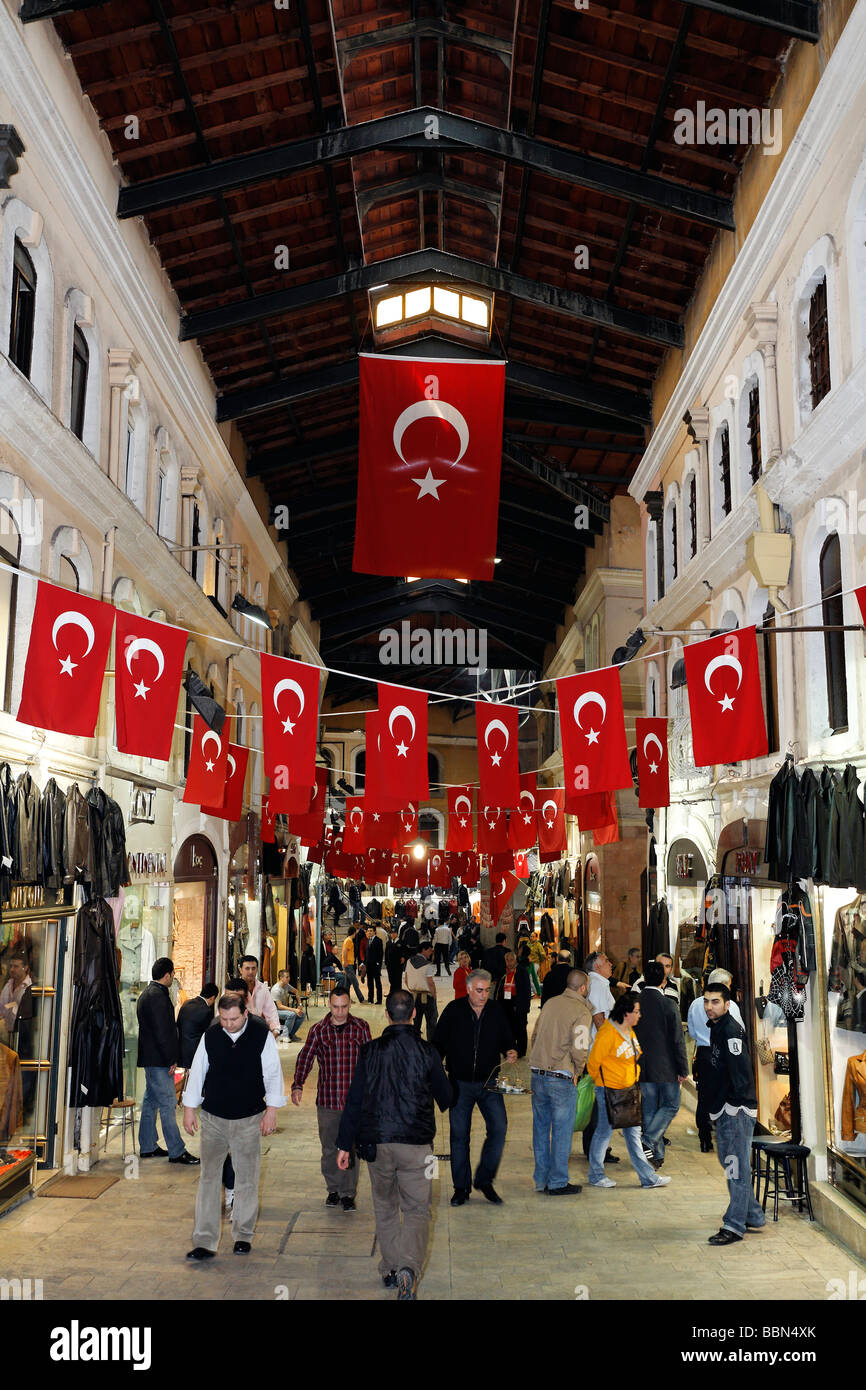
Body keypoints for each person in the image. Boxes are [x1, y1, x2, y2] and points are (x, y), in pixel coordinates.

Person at [335, 989, 452, 1300]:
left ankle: (390, 1267)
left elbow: (355, 1099)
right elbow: (446, 1099)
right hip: (418, 1146)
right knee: (417, 1211)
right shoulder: (428, 1052)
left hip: (377, 1144)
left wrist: (344, 1145)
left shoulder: (370, 1051)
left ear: (387, 1015)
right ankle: (408, 1270)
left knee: (385, 1208)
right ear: (414, 1014)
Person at [183, 992, 285, 1259]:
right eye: (224, 1018)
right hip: (213, 1117)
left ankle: (243, 1235)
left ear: (245, 1014)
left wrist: (272, 1110)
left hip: (249, 1118)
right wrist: (189, 1109)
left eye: (234, 1019)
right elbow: (198, 1070)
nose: (228, 1024)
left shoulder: (261, 1035)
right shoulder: (212, 1034)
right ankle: (204, 1241)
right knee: (208, 1178)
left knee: (247, 1179)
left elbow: (273, 1073)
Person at [433, 969, 517, 1206]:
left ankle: (484, 1179)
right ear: (468, 989)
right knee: (459, 1137)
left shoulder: (496, 1011)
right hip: (460, 1083)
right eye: (479, 990)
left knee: (499, 1128)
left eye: (487, 990)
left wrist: (510, 1049)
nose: (484, 995)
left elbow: (506, 1038)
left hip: (489, 1082)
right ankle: (461, 1188)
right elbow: (438, 1043)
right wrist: (434, 1072)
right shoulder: (453, 1010)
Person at [291, 987, 372, 1211]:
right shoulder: (319, 1030)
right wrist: (298, 1084)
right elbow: (305, 1056)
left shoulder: (361, 1027)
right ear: (329, 1005)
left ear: (349, 1005)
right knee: (329, 1149)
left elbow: (371, 1062)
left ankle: (348, 1193)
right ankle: (333, 1190)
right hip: (328, 1102)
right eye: (336, 1007)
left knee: (352, 1148)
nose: (339, 1012)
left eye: (344, 1007)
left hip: (354, 1104)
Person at [586, 991, 670, 1191]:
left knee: (633, 1133)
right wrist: (605, 1084)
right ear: (626, 1013)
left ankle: (648, 1178)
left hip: (629, 1091)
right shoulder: (607, 1033)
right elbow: (593, 1063)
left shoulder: (629, 1031)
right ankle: (596, 1175)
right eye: (637, 1011)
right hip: (609, 1091)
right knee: (604, 1132)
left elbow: (635, 1056)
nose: (640, 1015)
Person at [702, 982, 764, 1245]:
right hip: (724, 1107)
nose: (709, 1007)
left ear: (727, 1005)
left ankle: (734, 1225)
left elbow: (740, 1075)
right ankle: (752, 1213)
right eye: (706, 1001)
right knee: (730, 1163)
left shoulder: (731, 1031)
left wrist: (735, 1110)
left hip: (735, 1109)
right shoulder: (718, 1028)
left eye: (715, 1002)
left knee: (735, 1167)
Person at [529, 968, 592, 1196]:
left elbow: (535, 1036)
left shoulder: (550, 1003)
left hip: (538, 1074)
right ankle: (557, 1181)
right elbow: (580, 1045)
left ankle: (541, 1179)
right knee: (562, 1131)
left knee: (541, 1129)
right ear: (583, 988)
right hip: (561, 1077)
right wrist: (579, 1069)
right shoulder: (581, 1010)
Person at [137, 957, 199, 1165]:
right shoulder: (158, 996)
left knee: (150, 1101)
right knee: (168, 1103)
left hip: (152, 1057)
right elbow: (163, 1031)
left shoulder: (148, 993)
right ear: (167, 975)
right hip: (159, 1059)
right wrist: (171, 1058)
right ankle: (176, 1150)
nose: (174, 977)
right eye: (173, 974)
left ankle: (148, 1146)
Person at [634, 960, 688, 1167]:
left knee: (649, 1109)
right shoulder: (668, 1004)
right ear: (663, 980)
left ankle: (655, 1156)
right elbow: (677, 1039)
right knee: (671, 1105)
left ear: (644, 978)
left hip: (642, 1065)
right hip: (666, 1066)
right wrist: (683, 1068)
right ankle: (649, 1141)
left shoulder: (634, 1002)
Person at [687, 968, 744, 1152]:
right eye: (728, 984)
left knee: (704, 1096)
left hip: (704, 1053)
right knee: (725, 1095)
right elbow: (739, 1031)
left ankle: (704, 1138)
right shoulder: (730, 1006)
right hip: (723, 1055)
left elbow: (692, 1031)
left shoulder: (696, 1004)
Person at [581, 950, 618, 1164]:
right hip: (600, 1053)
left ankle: (597, 1146)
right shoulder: (598, 984)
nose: (610, 964)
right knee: (600, 1104)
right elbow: (599, 1018)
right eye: (606, 961)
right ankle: (595, 1148)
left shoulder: (600, 982)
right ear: (597, 966)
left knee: (601, 1103)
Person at [494, 950, 531, 1057]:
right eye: (507, 960)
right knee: (507, 1028)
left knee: (520, 1028)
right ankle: (508, 1049)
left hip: (518, 1003)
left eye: (511, 960)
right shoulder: (503, 972)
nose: (509, 962)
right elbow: (498, 990)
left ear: (515, 960)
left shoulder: (522, 971)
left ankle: (521, 1050)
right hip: (505, 1003)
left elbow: (527, 991)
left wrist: (525, 1007)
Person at [177, 982, 219, 1070]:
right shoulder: (207, 1011)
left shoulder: (186, 1003)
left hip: (181, 1051)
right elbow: (208, 1035)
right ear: (212, 998)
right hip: (195, 1054)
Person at [238, 955, 281, 1036]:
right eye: (247, 968)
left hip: (256, 1032)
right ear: (240, 970)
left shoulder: (263, 988)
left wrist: (275, 1030)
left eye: (253, 968)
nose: (251, 972)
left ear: (257, 969)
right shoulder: (233, 988)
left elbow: (271, 1011)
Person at [404, 942, 438, 1039]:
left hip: (414, 997)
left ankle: (416, 1046)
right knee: (431, 1024)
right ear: (423, 950)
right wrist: (434, 996)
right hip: (427, 997)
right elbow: (430, 983)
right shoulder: (427, 965)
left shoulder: (409, 961)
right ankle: (430, 1047)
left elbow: (406, 979)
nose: (431, 953)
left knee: (416, 1024)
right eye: (429, 950)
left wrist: (412, 989)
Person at [270, 970, 304, 1041]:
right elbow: (279, 1006)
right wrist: (294, 1010)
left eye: (289, 977)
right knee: (291, 1014)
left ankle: (290, 1034)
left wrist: (300, 1004)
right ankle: (284, 1036)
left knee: (302, 1015)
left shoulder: (286, 985)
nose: (289, 978)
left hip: (282, 1009)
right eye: (287, 977)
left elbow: (296, 991)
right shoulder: (276, 989)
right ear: (281, 978)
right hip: (275, 1011)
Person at [341, 927, 366, 1004]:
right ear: (354, 932)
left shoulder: (348, 940)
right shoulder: (349, 940)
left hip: (348, 963)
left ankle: (346, 1000)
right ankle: (361, 999)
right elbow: (345, 951)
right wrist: (345, 961)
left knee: (347, 984)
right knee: (355, 982)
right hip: (348, 964)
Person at [365, 926, 384, 1005]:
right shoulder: (368, 940)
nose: (369, 932)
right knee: (370, 983)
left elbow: (380, 953)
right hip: (369, 965)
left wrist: (378, 963)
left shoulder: (378, 940)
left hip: (375, 965)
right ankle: (370, 999)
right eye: (368, 931)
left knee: (377, 983)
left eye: (371, 931)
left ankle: (379, 1000)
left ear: (374, 932)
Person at [385, 929, 405, 997]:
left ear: (397, 934)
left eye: (394, 933)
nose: (393, 934)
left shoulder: (401, 942)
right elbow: (386, 953)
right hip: (390, 964)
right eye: (391, 933)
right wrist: (386, 962)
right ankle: (392, 992)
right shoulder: (388, 943)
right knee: (391, 979)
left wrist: (403, 957)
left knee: (398, 979)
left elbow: (405, 952)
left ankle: (398, 993)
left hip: (398, 964)